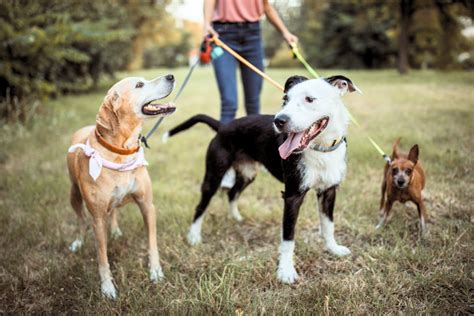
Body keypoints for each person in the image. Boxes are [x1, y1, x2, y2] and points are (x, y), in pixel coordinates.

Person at [203, 0, 298, 188]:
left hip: (253, 35)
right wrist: (206, 25)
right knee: (229, 102)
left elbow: (266, 7)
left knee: (253, 103)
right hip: (222, 34)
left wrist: (285, 33)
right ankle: (227, 164)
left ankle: (254, 156)